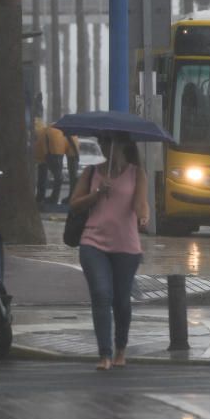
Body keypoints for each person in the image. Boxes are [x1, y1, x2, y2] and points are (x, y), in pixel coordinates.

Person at [67, 132, 149, 371]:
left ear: (122, 145)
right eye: (103, 142)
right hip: (92, 243)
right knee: (102, 295)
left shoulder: (136, 173)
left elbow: (140, 204)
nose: (104, 146)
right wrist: (97, 194)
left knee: (121, 300)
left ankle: (120, 348)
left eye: (108, 142)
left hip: (126, 246)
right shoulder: (92, 172)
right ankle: (104, 353)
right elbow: (74, 203)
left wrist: (144, 216)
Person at [44, 124, 68, 205]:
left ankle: (54, 197)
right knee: (58, 176)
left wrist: (47, 154)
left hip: (53, 153)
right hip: (59, 153)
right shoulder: (60, 131)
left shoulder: (48, 130)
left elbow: (46, 143)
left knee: (58, 177)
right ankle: (54, 197)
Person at [33, 116, 49, 203]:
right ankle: (40, 196)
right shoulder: (42, 128)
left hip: (40, 158)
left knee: (41, 179)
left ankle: (40, 197)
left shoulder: (39, 129)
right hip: (41, 158)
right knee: (41, 179)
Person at [62, 134, 80, 204]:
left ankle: (72, 196)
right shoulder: (74, 135)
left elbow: (73, 145)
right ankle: (72, 195)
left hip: (72, 157)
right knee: (73, 177)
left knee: (73, 177)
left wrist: (77, 155)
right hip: (72, 156)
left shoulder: (70, 135)